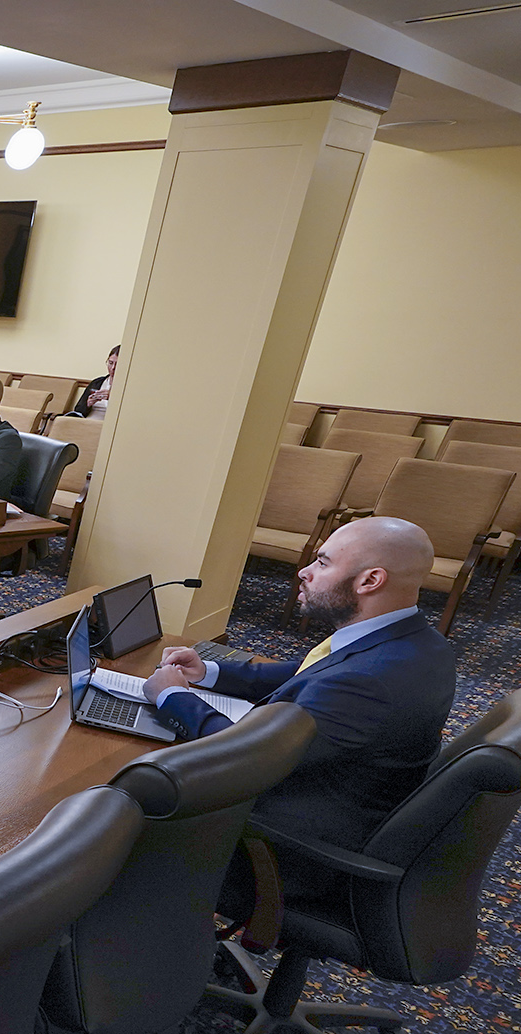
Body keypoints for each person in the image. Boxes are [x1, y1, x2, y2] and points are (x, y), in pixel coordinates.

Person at [142, 515, 456, 905]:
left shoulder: (366, 683)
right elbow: (309, 672)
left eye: (323, 563)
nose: (304, 572)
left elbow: (241, 760)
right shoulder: (418, 642)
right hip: (335, 801)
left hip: (281, 850)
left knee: (121, 806)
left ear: (370, 581)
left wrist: (172, 696)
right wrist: (208, 672)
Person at [67, 345, 119, 418]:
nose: (113, 368)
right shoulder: (97, 383)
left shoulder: (128, 387)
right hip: (87, 420)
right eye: (110, 363)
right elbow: (78, 409)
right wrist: (88, 404)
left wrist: (112, 397)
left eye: (117, 364)